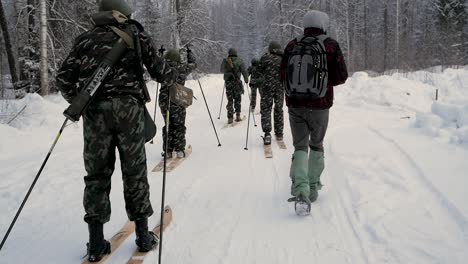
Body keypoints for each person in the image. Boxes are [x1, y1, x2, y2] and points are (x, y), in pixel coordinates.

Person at [56, 0, 176, 261]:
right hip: (128, 111)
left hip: (94, 113)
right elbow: (160, 72)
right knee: (134, 171)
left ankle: (96, 243)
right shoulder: (136, 33)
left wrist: (81, 100)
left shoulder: (84, 39)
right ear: (121, 13)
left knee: (96, 174)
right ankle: (143, 237)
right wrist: (171, 72)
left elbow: (63, 78)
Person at [280, 10, 348, 205]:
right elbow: (341, 76)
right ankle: (313, 187)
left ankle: (300, 189)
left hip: (294, 104)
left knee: (300, 146)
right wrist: (323, 83)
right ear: (323, 24)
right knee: (316, 145)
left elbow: (282, 75)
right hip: (320, 105)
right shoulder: (330, 45)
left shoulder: (292, 45)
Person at [159, 47, 197, 158]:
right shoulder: (182, 68)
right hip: (177, 99)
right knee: (179, 124)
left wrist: (160, 54)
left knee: (168, 124)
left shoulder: (162, 68)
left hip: (164, 100)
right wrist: (190, 53)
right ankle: (179, 150)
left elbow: (154, 65)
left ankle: (168, 151)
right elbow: (194, 64)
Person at [259, 41, 285, 145]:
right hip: (279, 88)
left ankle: (267, 134)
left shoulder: (264, 58)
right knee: (278, 109)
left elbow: (258, 72)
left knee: (266, 110)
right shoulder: (283, 60)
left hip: (267, 88)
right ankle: (279, 133)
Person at [220, 48, 249, 124]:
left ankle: (230, 117)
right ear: (236, 53)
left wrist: (227, 70)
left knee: (230, 100)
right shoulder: (239, 60)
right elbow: (244, 71)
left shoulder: (225, 60)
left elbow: (221, 70)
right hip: (237, 82)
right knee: (237, 99)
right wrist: (246, 79)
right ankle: (238, 116)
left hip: (228, 82)